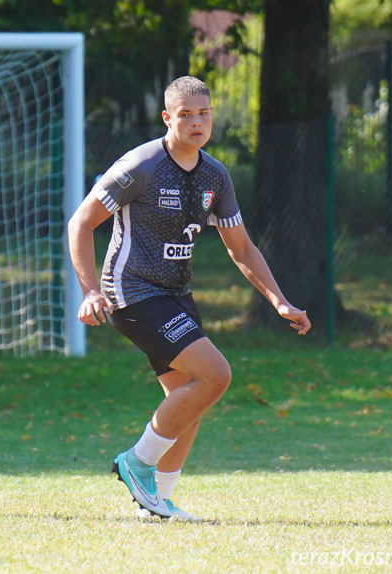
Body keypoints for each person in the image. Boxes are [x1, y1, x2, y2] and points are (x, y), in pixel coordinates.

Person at [67, 76, 311, 522]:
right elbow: (81, 223)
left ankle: (156, 501)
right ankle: (136, 461)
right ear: (167, 118)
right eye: (185, 115)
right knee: (216, 375)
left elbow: (241, 248)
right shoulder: (140, 166)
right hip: (132, 290)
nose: (197, 122)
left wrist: (277, 299)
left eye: (204, 113)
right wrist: (88, 290)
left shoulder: (215, 175)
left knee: (189, 397)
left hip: (176, 295)